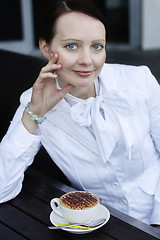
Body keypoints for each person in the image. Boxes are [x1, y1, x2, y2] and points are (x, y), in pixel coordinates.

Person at [0, 0, 160, 229]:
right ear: (45, 48)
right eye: (72, 46)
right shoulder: (33, 103)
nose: (87, 60)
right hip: (99, 225)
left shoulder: (139, 81)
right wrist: (34, 114)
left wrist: (157, 224)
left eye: (97, 46)